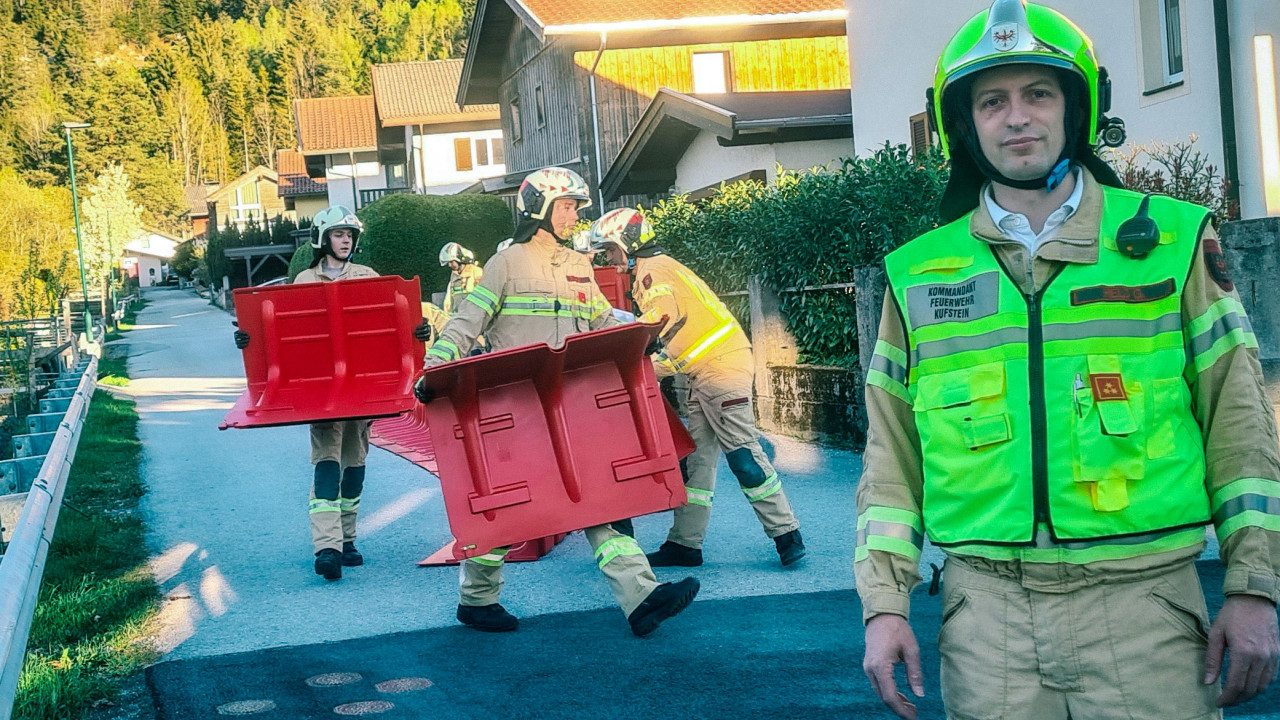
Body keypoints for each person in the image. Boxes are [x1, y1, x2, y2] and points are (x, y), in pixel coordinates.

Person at [856, 2, 1280, 718]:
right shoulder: (917, 273)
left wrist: (1253, 585)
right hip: (984, 616)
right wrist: (882, 604)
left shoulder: (1174, 244)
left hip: (1146, 608)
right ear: (965, 123)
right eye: (992, 101)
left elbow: (1238, 424)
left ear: (1078, 107)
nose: (1016, 117)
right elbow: (889, 458)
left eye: (1038, 94)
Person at [415, 167, 700, 636]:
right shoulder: (505, 264)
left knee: (599, 499)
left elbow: (601, 318)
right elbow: (467, 322)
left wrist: (641, 336)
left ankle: (642, 598)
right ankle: (476, 600)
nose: (574, 216)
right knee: (507, 511)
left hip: (571, 406)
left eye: (575, 208)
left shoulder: (579, 266)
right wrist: (433, 369)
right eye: (567, 206)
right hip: (515, 410)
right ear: (540, 210)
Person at [588, 207, 804, 567]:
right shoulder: (660, 266)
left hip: (719, 370)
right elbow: (678, 338)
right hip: (704, 371)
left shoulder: (652, 272)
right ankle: (685, 544)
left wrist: (630, 351)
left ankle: (786, 534)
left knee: (743, 455)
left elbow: (661, 318)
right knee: (697, 463)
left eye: (610, 250)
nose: (609, 258)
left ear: (626, 243)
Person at [234, 206, 433, 580]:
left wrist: (417, 332)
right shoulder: (303, 280)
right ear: (323, 238)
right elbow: (284, 332)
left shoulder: (369, 277)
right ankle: (326, 548)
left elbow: (391, 323)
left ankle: (347, 539)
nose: (346, 241)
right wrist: (250, 339)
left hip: (363, 390)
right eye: (339, 234)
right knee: (327, 463)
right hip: (320, 392)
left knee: (354, 464)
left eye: (350, 235)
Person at [438, 242, 482, 315]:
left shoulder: (477, 273)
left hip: (474, 320)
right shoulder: (453, 278)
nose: (449, 265)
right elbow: (448, 303)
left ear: (460, 259)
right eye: (448, 263)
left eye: (451, 262)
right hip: (458, 322)